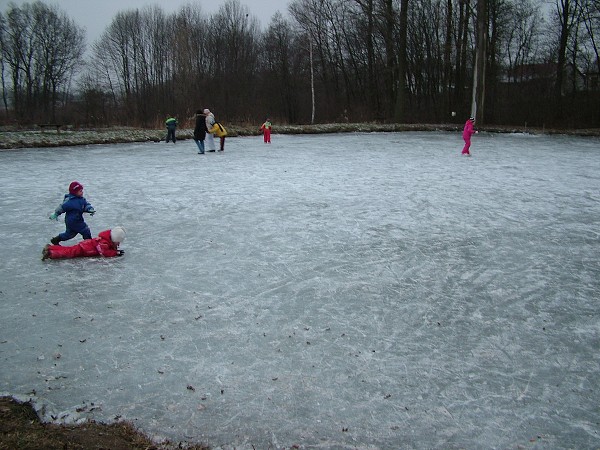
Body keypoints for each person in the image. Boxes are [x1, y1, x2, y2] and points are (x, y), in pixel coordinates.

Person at [49, 181, 95, 245]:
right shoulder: (69, 201)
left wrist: (90, 209)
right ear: (75, 192)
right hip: (74, 221)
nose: (82, 192)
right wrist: (56, 214)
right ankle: (89, 243)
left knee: (69, 234)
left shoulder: (82, 200)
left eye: (82, 190)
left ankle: (56, 239)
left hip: (76, 220)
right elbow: (62, 207)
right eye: (80, 191)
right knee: (85, 230)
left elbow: (86, 205)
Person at [42, 227, 125, 260]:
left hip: (85, 246)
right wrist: (115, 253)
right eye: (117, 242)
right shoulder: (103, 243)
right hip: (85, 249)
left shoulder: (106, 238)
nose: (118, 245)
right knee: (69, 252)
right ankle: (51, 253)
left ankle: (52, 248)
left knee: (69, 249)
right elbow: (104, 252)